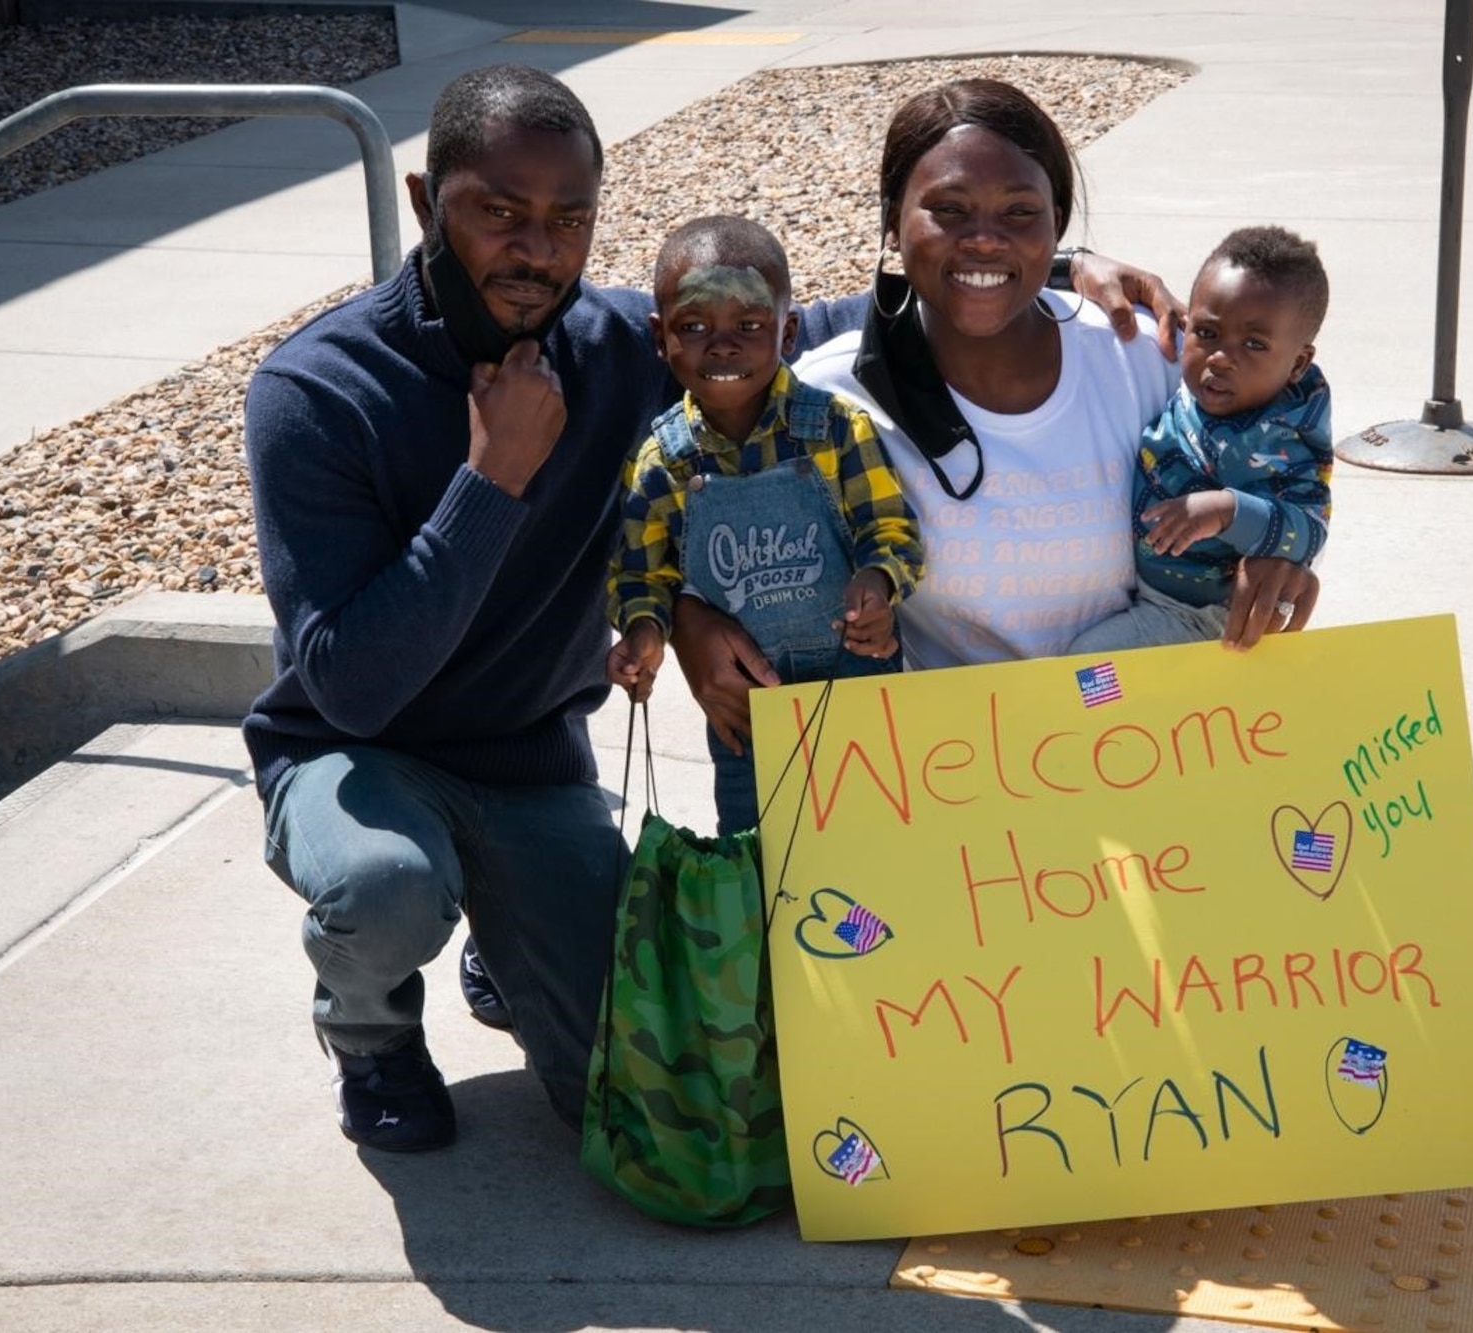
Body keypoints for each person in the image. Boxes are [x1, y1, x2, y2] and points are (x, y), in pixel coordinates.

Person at [242, 63, 1164, 1153]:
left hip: (532, 764)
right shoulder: (318, 391)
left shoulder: (627, 344)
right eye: (497, 212)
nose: (535, 249)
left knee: (651, 1103)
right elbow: (350, 684)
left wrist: (1040, 258)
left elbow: (819, 316)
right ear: (421, 201)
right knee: (387, 884)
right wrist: (490, 483)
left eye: (566, 218)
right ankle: (372, 1032)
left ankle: (513, 916)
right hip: (359, 757)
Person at [671, 78, 1322, 744]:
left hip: (1155, 754)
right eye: (948, 209)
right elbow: (709, 522)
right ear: (892, 222)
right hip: (961, 788)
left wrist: (1273, 561)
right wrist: (685, 617)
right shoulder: (828, 401)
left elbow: (1279, 458)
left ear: (1058, 224)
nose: (984, 240)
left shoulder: (1144, 358)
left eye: (1019, 212)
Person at [606, 216, 924, 835]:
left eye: (749, 326)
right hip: (745, 711)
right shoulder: (662, 464)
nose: (722, 346)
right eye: (693, 327)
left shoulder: (835, 431)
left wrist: (879, 582)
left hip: (858, 683)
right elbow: (639, 574)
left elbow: (892, 530)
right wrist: (644, 633)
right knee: (765, 858)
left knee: (879, 844)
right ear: (658, 336)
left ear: (789, 332)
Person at [1069, 224, 1333, 653]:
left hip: (1198, 614)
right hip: (1144, 586)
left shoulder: (1281, 439)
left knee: (1085, 669)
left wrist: (1229, 510)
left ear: (1298, 363)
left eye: (1253, 344)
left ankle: (1097, 718)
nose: (1221, 359)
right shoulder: (1199, 387)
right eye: (1207, 334)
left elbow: (1309, 530)